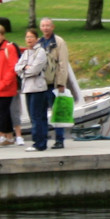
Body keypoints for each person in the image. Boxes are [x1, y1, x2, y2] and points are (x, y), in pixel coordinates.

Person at [38, 17, 74, 149]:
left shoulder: (59, 42)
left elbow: (63, 63)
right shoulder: (39, 43)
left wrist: (61, 82)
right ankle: (43, 138)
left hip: (54, 83)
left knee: (57, 111)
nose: (45, 28)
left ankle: (60, 139)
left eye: (48, 25)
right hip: (41, 83)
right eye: (43, 25)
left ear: (52, 27)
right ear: (40, 28)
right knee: (41, 112)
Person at [17, 28, 52, 150]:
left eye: (31, 37)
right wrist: (24, 69)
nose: (29, 39)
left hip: (38, 89)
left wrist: (24, 71)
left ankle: (39, 143)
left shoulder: (40, 52)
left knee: (38, 116)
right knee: (33, 117)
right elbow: (17, 67)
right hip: (27, 88)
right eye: (27, 37)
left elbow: (35, 69)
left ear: (37, 39)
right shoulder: (26, 53)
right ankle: (39, 141)